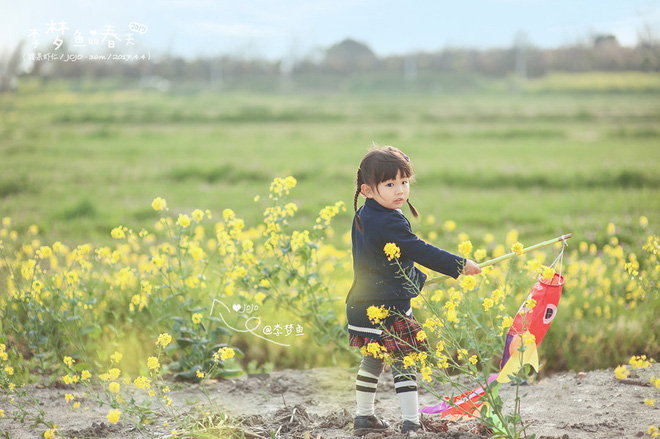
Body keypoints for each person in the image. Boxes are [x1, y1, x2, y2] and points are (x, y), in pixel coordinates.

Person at [346, 145, 481, 435]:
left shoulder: (364, 215)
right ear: (368, 190)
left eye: (404, 182)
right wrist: (459, 265)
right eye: (390, 184)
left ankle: (363, 417)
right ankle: (411, 422)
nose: (400, 190)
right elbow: (419, 250)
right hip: (389, 307)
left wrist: (414, 278)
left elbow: (382, 261)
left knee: (373, 359)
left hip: (360, 305)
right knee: (404, 362)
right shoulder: (391, 220)